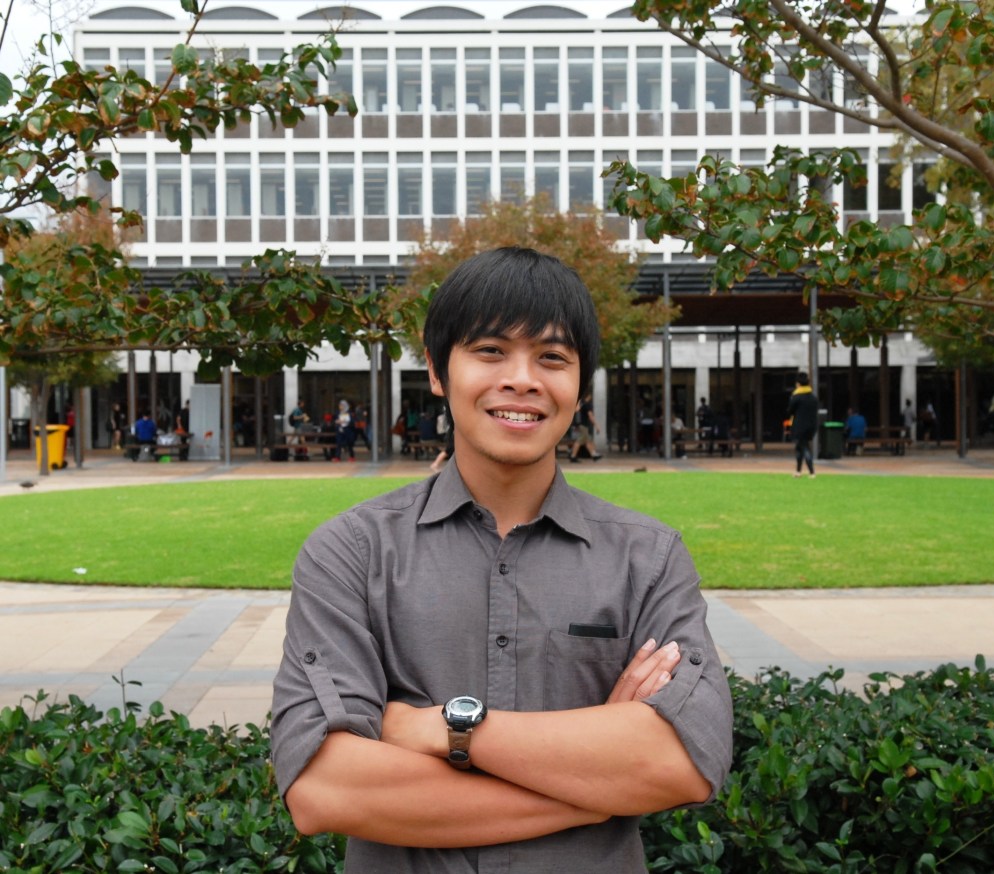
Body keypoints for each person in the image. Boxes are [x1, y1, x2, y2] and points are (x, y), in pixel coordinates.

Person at [270, 247, 733, 872]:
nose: (522, 379)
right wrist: (597, 789)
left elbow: (683, 762)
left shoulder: (647, 558)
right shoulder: (350, 554)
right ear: (436, 370)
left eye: (552, 357)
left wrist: (443, 729)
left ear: (579, 382)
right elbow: (326, 790)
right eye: (490, 351)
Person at [787, 372, 818, 478]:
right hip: (811, 426)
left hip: (799, 426)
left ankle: (812, 472)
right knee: (799, 447)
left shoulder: (796, 397)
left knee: (804, 447)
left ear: (798, 384)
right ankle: (798, 471)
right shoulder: (813, 397)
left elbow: (790, 411)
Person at [567, 390, 602, 462]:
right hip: (584, 426)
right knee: (580, 440)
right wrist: (596, 425)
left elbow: (576, 410)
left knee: (588, 440)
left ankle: (593, 454)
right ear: (589, 396)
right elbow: (590, 416)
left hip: (581, 425)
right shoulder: (587, 404)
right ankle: (573, 456)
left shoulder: (582, 403)